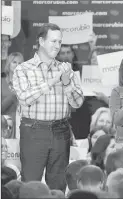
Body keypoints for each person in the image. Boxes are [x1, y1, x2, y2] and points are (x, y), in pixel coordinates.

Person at [11, 23, 84, 191]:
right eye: (53, 41)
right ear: (41, 41)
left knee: (58, 185)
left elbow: (77, 102)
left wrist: (66, 82)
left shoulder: (65, 69)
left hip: (61, 130)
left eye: (60, 42)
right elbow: (24, 98)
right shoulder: (24, 69)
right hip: (33, 130)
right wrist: (52, 81)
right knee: (31, 185)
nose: (57, 46)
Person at [1, 52, 24, 138]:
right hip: (5, 127)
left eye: (20, 63)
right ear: (8, 64)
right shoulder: (1, 82)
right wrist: (12, 97)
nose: (17, 65)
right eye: (14, 62)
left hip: (22, 127)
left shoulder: (26, 83)